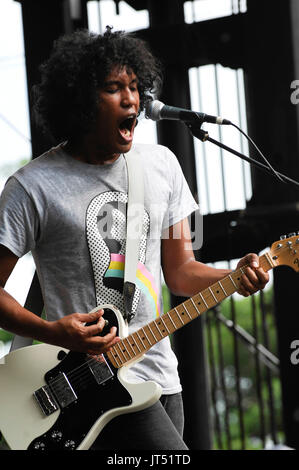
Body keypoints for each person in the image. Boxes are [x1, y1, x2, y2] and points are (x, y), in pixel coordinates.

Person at [0, 28, 269, 450]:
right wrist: (54, 331)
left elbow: (180, 274)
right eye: (112, 88)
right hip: (79, 384)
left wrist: (234, 275)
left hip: (159, 379)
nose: (131, 100)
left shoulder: (162, 166)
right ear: (78, 101)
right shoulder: (32, 186)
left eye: (134, 86)